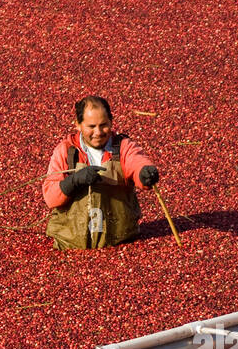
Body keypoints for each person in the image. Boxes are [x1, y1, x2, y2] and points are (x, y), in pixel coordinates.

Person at [42, 96, 160, 249]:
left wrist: (145, 173)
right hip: (71, 243)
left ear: (111, 121)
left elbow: (136, 161)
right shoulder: (66, 151)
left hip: (120, 239)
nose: (98, 132)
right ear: (78, 125)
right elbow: (51, 197)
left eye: (103, 125)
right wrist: (74, 181)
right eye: (91, 126)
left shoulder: (123, 147)